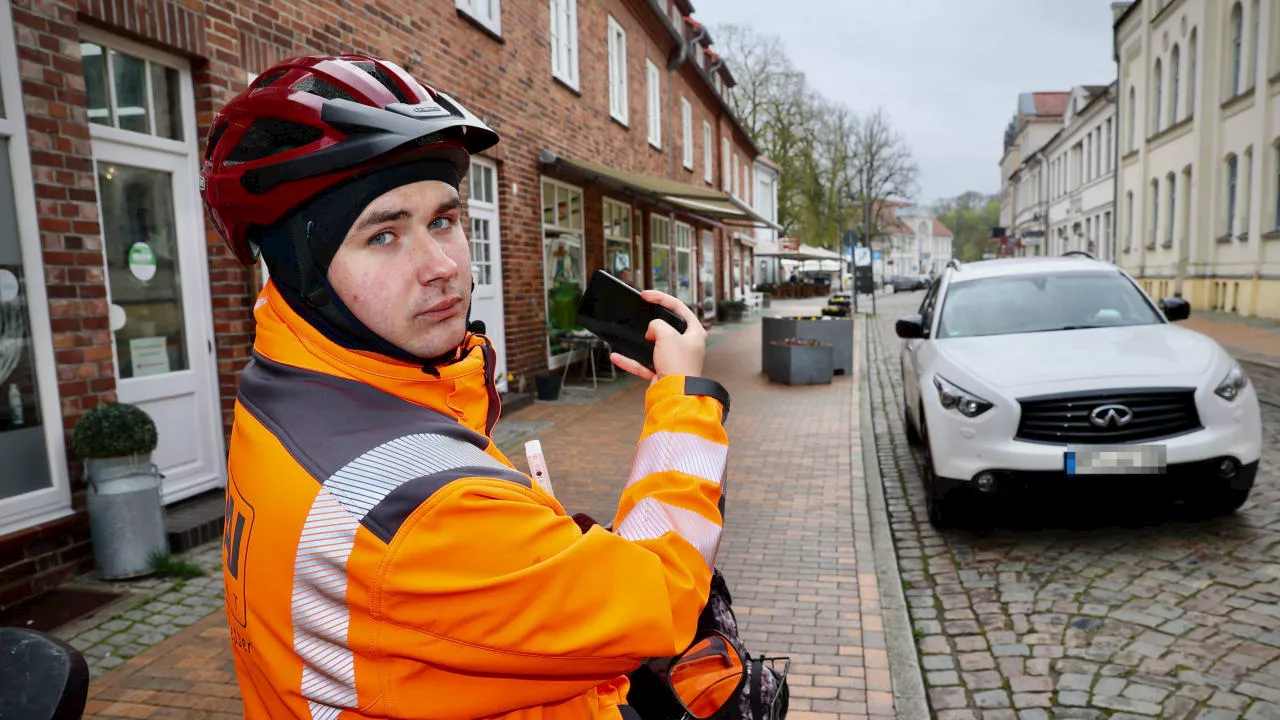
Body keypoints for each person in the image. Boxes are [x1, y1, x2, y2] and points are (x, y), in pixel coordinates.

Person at [201, 55, 731, 720]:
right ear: (303, 269)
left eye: (445, 220)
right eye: (385, 235)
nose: (443, 266)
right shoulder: (420, 512)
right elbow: (662, 595)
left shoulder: (285, 386)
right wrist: (685, 400)